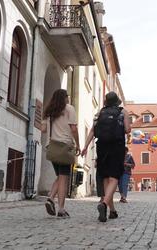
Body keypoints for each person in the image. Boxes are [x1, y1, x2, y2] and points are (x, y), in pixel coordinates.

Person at [81, 91, 131, 222]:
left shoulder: (100, 113)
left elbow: (92, 131)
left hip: (101, 146)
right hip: (117, 146)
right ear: (117, 101)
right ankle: (103, 204)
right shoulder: (123, 112)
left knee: (105, 178)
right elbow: (127, 129)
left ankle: (112, 211)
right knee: (114, 178)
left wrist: (85, 147)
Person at [41, 89, 80, 218]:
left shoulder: (49, 111)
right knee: (63, 178)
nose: (68, 99)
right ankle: (61, 209)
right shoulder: (69, 109)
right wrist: (78, 144)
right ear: (64, 98)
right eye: (67, 97)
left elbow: (43, 129)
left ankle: (50, 198)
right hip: (64, 147)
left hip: (52, 147)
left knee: (60, 177)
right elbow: (74, 129)